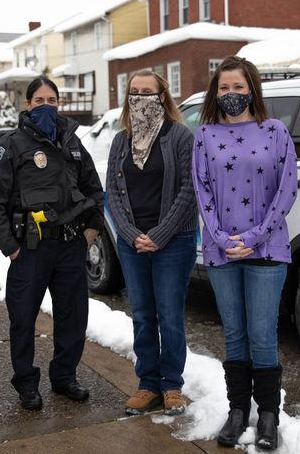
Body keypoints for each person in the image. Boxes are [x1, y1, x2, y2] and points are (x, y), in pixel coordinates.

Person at [192, 56, 298, 450]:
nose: (231, 94)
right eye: (224, 88)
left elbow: (286, 190)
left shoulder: (274, 131)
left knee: (262, 335)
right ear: (215, 93)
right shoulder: (205, 134)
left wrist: (255, 235)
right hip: (222, 251)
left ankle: (269, 415)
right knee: (234, 334)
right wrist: (218, 237)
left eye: (238, 87)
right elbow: (201, 190)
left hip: (267, 249)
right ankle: (238, 411)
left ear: (252, 89)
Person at [0, 77, 103, 411]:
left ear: (59, 104)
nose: (46, 105)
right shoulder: (11, 145)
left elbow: (94, 190)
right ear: (27, 105)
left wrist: (91, 228)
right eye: (39, 100)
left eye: (52, 99)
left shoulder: (74, 144)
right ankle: (26, 384)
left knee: (73, 317)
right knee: (23, 319)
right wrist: (11, 247)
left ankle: (64, 378)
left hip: (69, 247)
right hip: (30, 250)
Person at [106, 69, 198, 416]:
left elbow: (190, 190)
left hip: (173, 241)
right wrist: (131, 235)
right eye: (134, 91)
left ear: (163, 96)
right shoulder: (121, 140)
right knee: (143, 316)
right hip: (133, 243)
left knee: (170, 314)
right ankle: (148, 383)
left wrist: (158, 235)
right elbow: (112, 193)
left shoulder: (180, 137)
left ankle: (172, 384)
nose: (140, 97)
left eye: (148, 91)